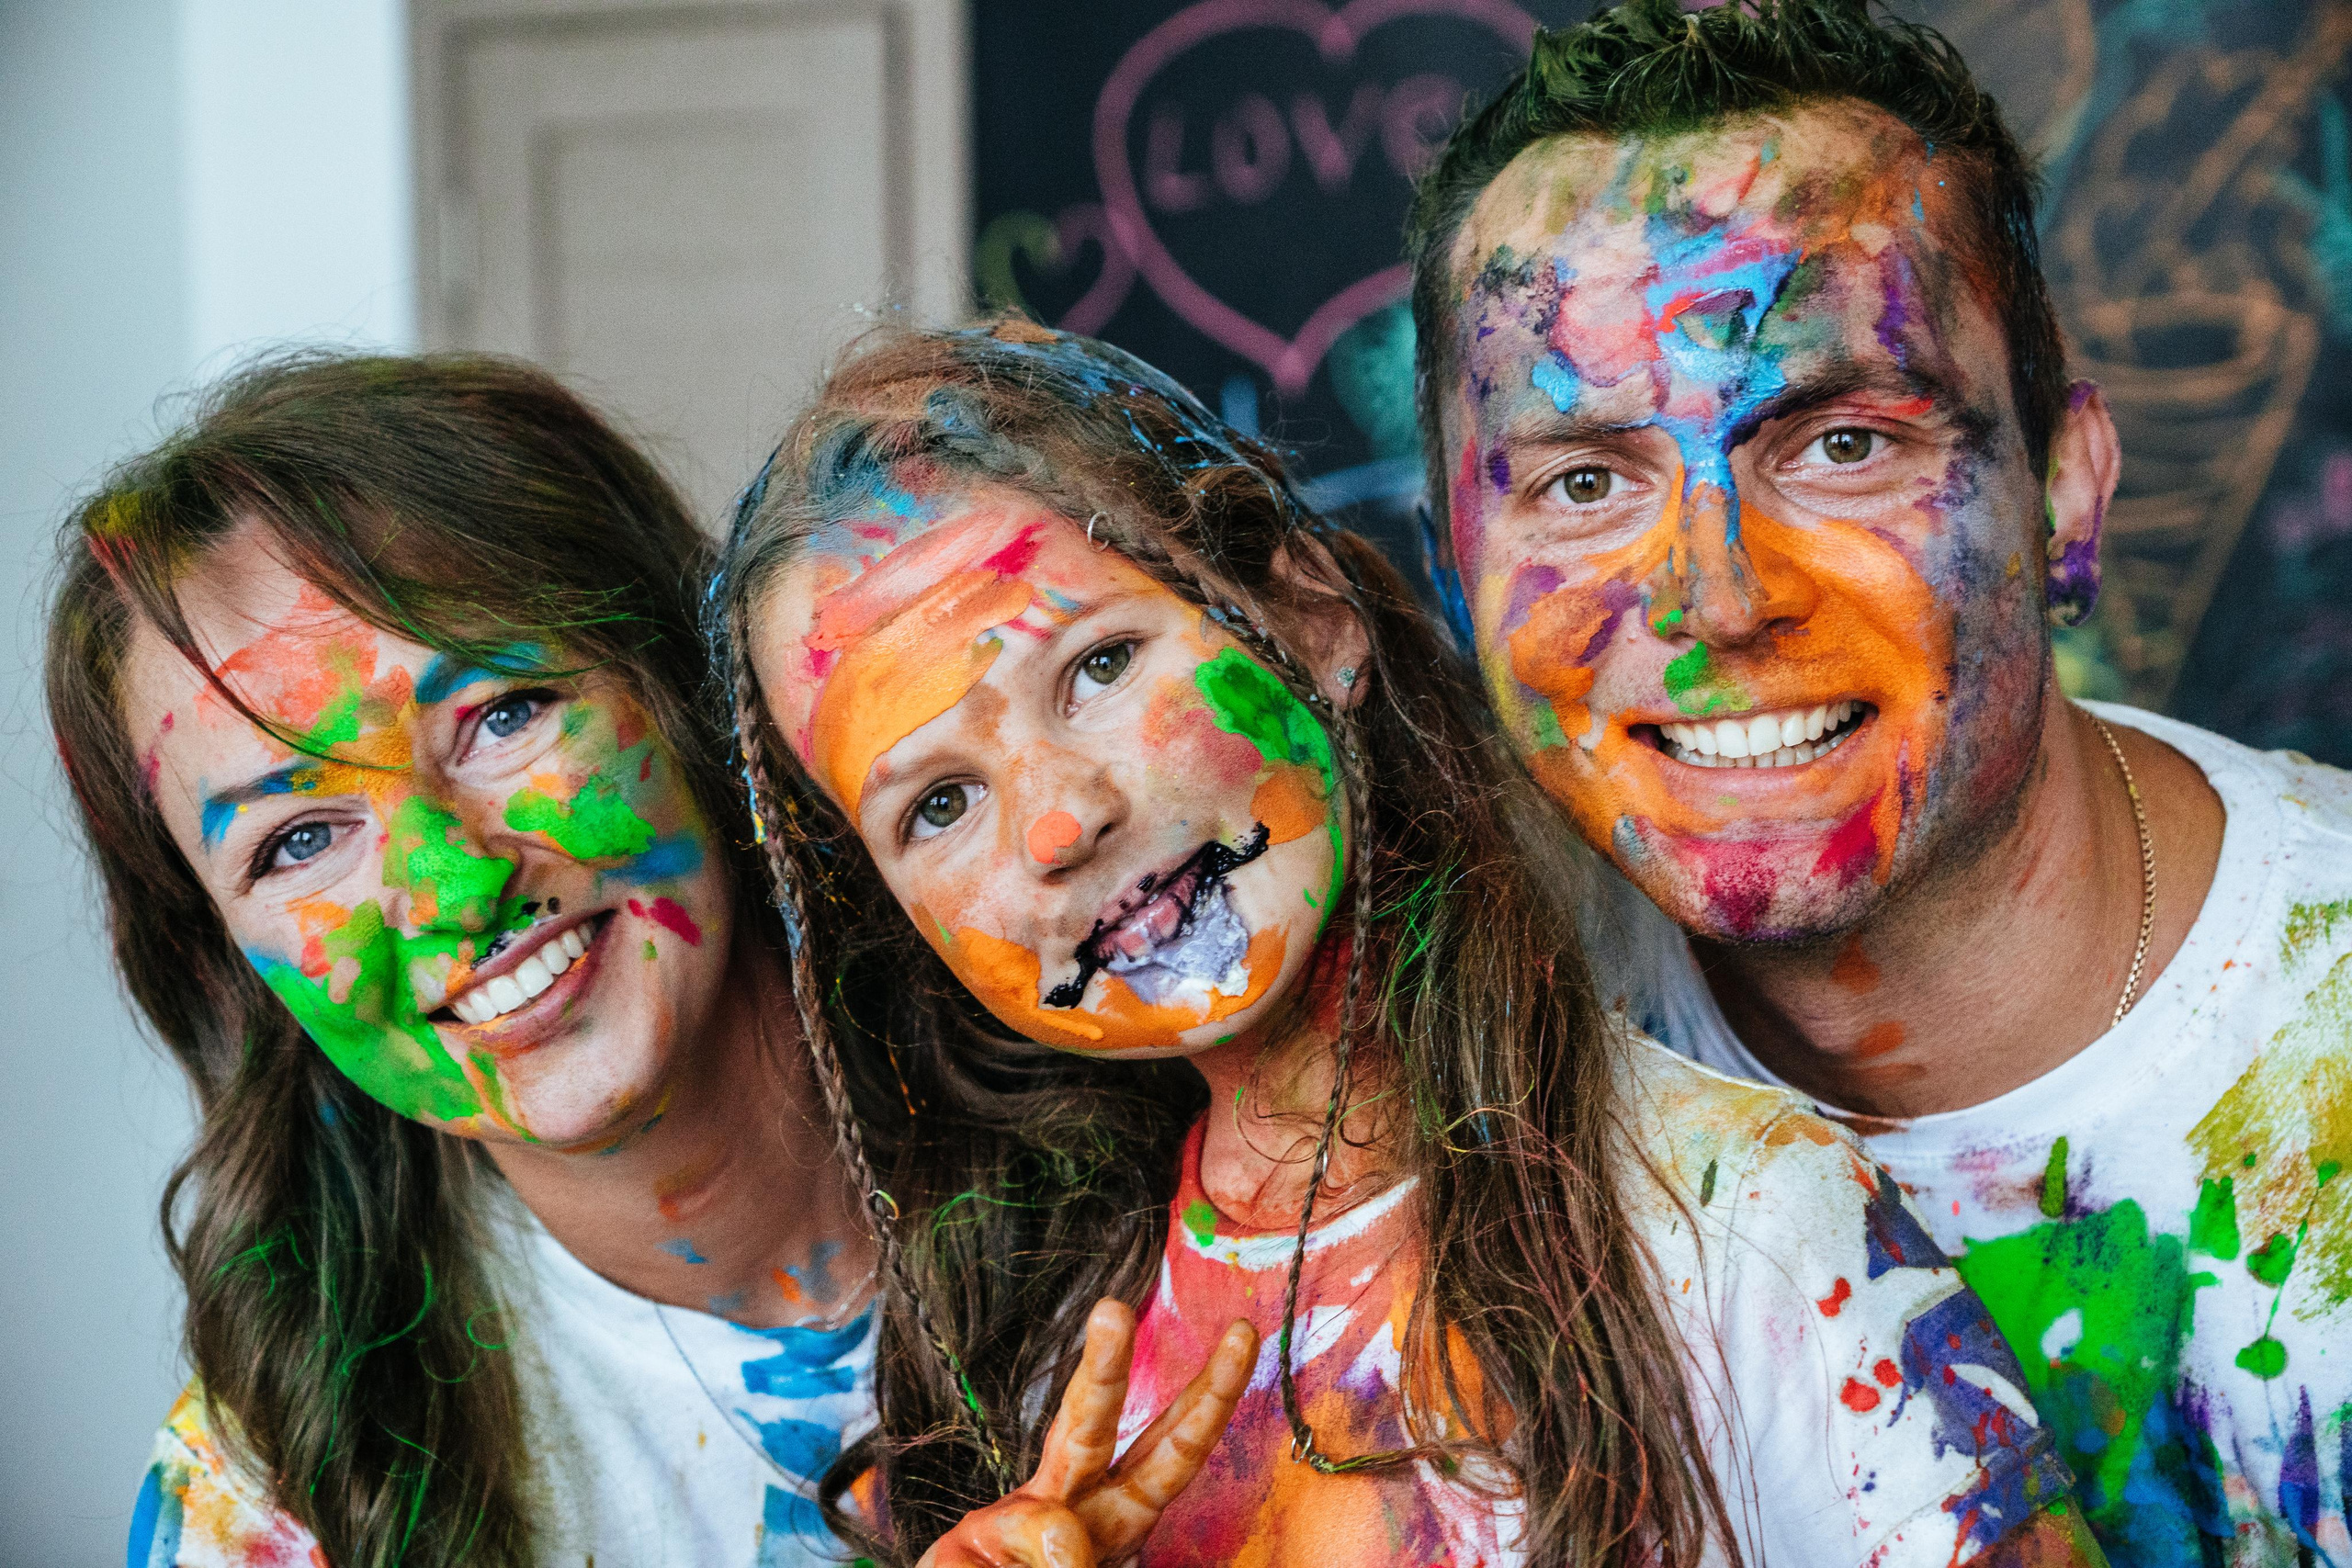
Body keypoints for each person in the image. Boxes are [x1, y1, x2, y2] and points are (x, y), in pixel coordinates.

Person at [712, 316, 2101, 1566]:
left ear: (1308, 616)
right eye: (938, 803)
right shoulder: (1030, 1358)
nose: (1059, 822)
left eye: (1099, 666)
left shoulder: (1742, 1227)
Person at [1405, 2, 2352, 1562]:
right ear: (1456, 573)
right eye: (1584, 481)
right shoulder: (1450, 1082)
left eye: (1840, 445)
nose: (1715, 598)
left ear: (2066, 490)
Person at [49, 354, 881, 1568]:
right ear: (229, 963)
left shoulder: (1164, 1137)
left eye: (501, 715)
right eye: (297, 842)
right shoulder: (269, 1511)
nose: (450, 885)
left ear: (685, 679)